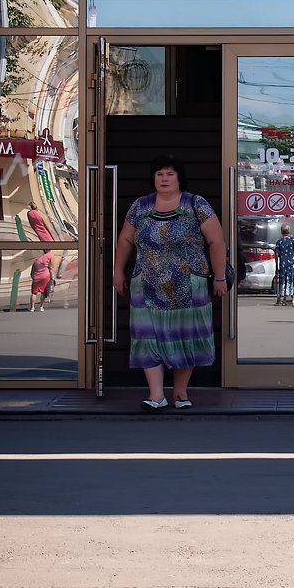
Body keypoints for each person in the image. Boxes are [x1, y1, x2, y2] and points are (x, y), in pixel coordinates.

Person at [112, 155, 228, 412]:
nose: (164, 179)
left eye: (169, 174)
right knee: (146, 339)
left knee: (185, 337)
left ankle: (180, 392)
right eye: (159, 174)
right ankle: (156, 396)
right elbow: (125, 240)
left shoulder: (196, 204)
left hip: (189, 286)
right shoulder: (140, 207)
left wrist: (219, 276)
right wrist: (118, 271)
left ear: (179, 178)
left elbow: (217, 241)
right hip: (146, 285)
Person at [274, 223, 294, 307]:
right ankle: (293, 299)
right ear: (289, 232)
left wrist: (276, 263)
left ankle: (284, 299)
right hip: (292, 263)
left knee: (284, 280)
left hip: (283, 263)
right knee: (293, 280)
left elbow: (276, 253)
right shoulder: (292, 240)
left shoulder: (279, 242)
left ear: (281, 232)